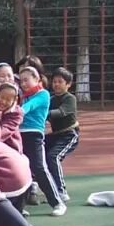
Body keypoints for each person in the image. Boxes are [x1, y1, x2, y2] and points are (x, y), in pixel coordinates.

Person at [18, 65, 65, 215]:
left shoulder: (43, 94)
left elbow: (28, 108)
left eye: (26, 80)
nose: (23, 84)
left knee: (39, 169)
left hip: (34, 136)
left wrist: (16, 110)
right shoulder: (23, 96)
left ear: (36, 79)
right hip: (18, 136)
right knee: (20, 170)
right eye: (21, 81)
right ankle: (18, 207)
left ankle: (57, 203)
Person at [46, 67, 80, 203]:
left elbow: (60, 112)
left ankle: (61, 191)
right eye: (54, 81)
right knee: (37, 152)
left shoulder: (70, 98)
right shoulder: (50, 99)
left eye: (60, 82)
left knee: (53, 156)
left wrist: (43, 113)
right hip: (55, 135)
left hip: (69, 135)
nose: (56, 84)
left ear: (68, 84)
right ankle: (36, 186)